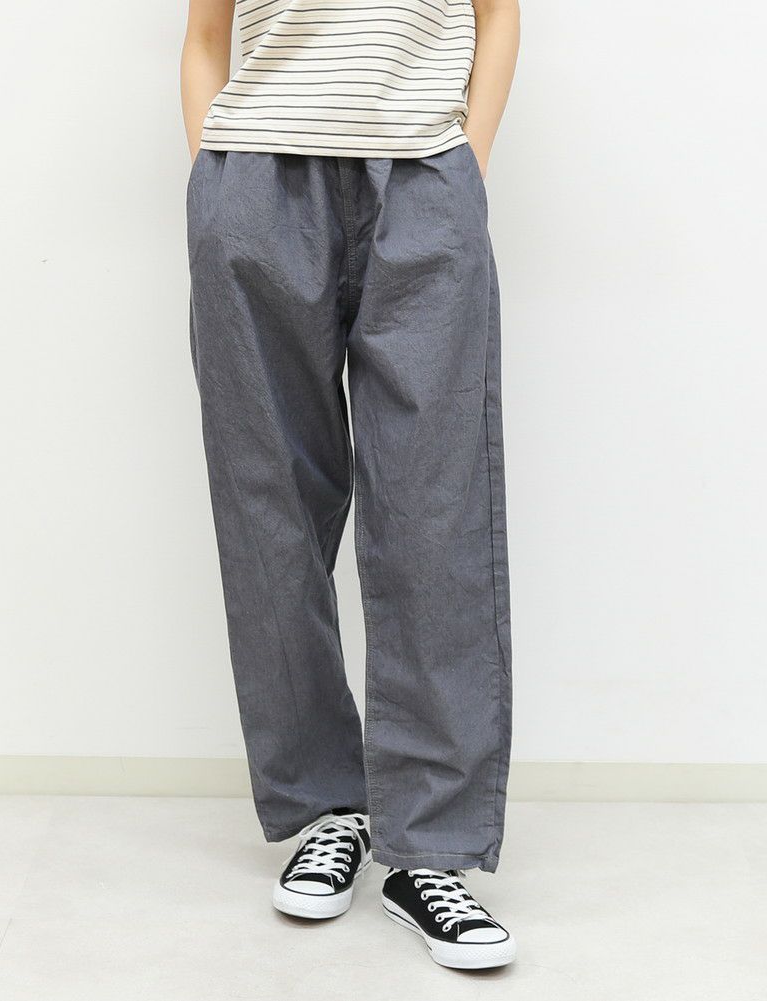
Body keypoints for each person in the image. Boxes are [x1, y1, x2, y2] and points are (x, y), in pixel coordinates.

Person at [181, 0, 519, 970]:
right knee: (269, 511)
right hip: (255, 184)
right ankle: (326, 809)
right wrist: (213, 184)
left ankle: (432, 847)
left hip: (423, 178)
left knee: (435, 512)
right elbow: (205, 36)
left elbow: (498, 15)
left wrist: (466, 167)